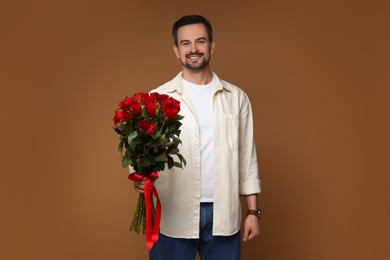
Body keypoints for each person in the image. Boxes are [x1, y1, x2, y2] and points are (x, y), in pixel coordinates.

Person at [133, 15, 261, 260]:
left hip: (224, 214)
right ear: (176, 50)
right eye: (185, 43)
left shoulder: (236, 97)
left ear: (211, 45)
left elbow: (247, 157)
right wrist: (139, 177)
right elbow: (141, 152)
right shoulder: (157, 97)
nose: (193, 49)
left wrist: (253, 213)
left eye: (200, 42)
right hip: (173, 214)